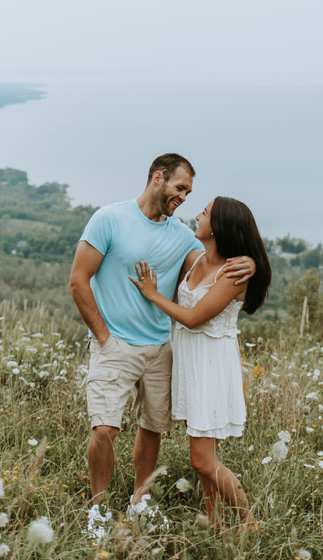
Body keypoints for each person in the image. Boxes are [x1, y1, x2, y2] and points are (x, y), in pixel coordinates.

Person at [68, 153, 255, 539]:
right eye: (179, 188)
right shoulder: (110, 219)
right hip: (114, 345)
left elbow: (213, 265)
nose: (184, 198)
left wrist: (251, 262)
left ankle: (140, 501)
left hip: (161, 349)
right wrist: (103, 337)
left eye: (190, 193)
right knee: (104, 429)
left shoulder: (183, 236)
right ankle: (99, 509)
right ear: (158, 178)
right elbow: (78, 280)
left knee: (152, 428)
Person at [129, 196, 271, 534]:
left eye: (204, 213)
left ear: (219, 227)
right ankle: (215, 523)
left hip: (212, 367)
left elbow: (193, 319)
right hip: (192, 365)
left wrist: (152, 294)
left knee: (202, 459)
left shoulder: (232, 273)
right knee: (204, 456)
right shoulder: (196, 260)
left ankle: (250, 523)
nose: (196, 215)